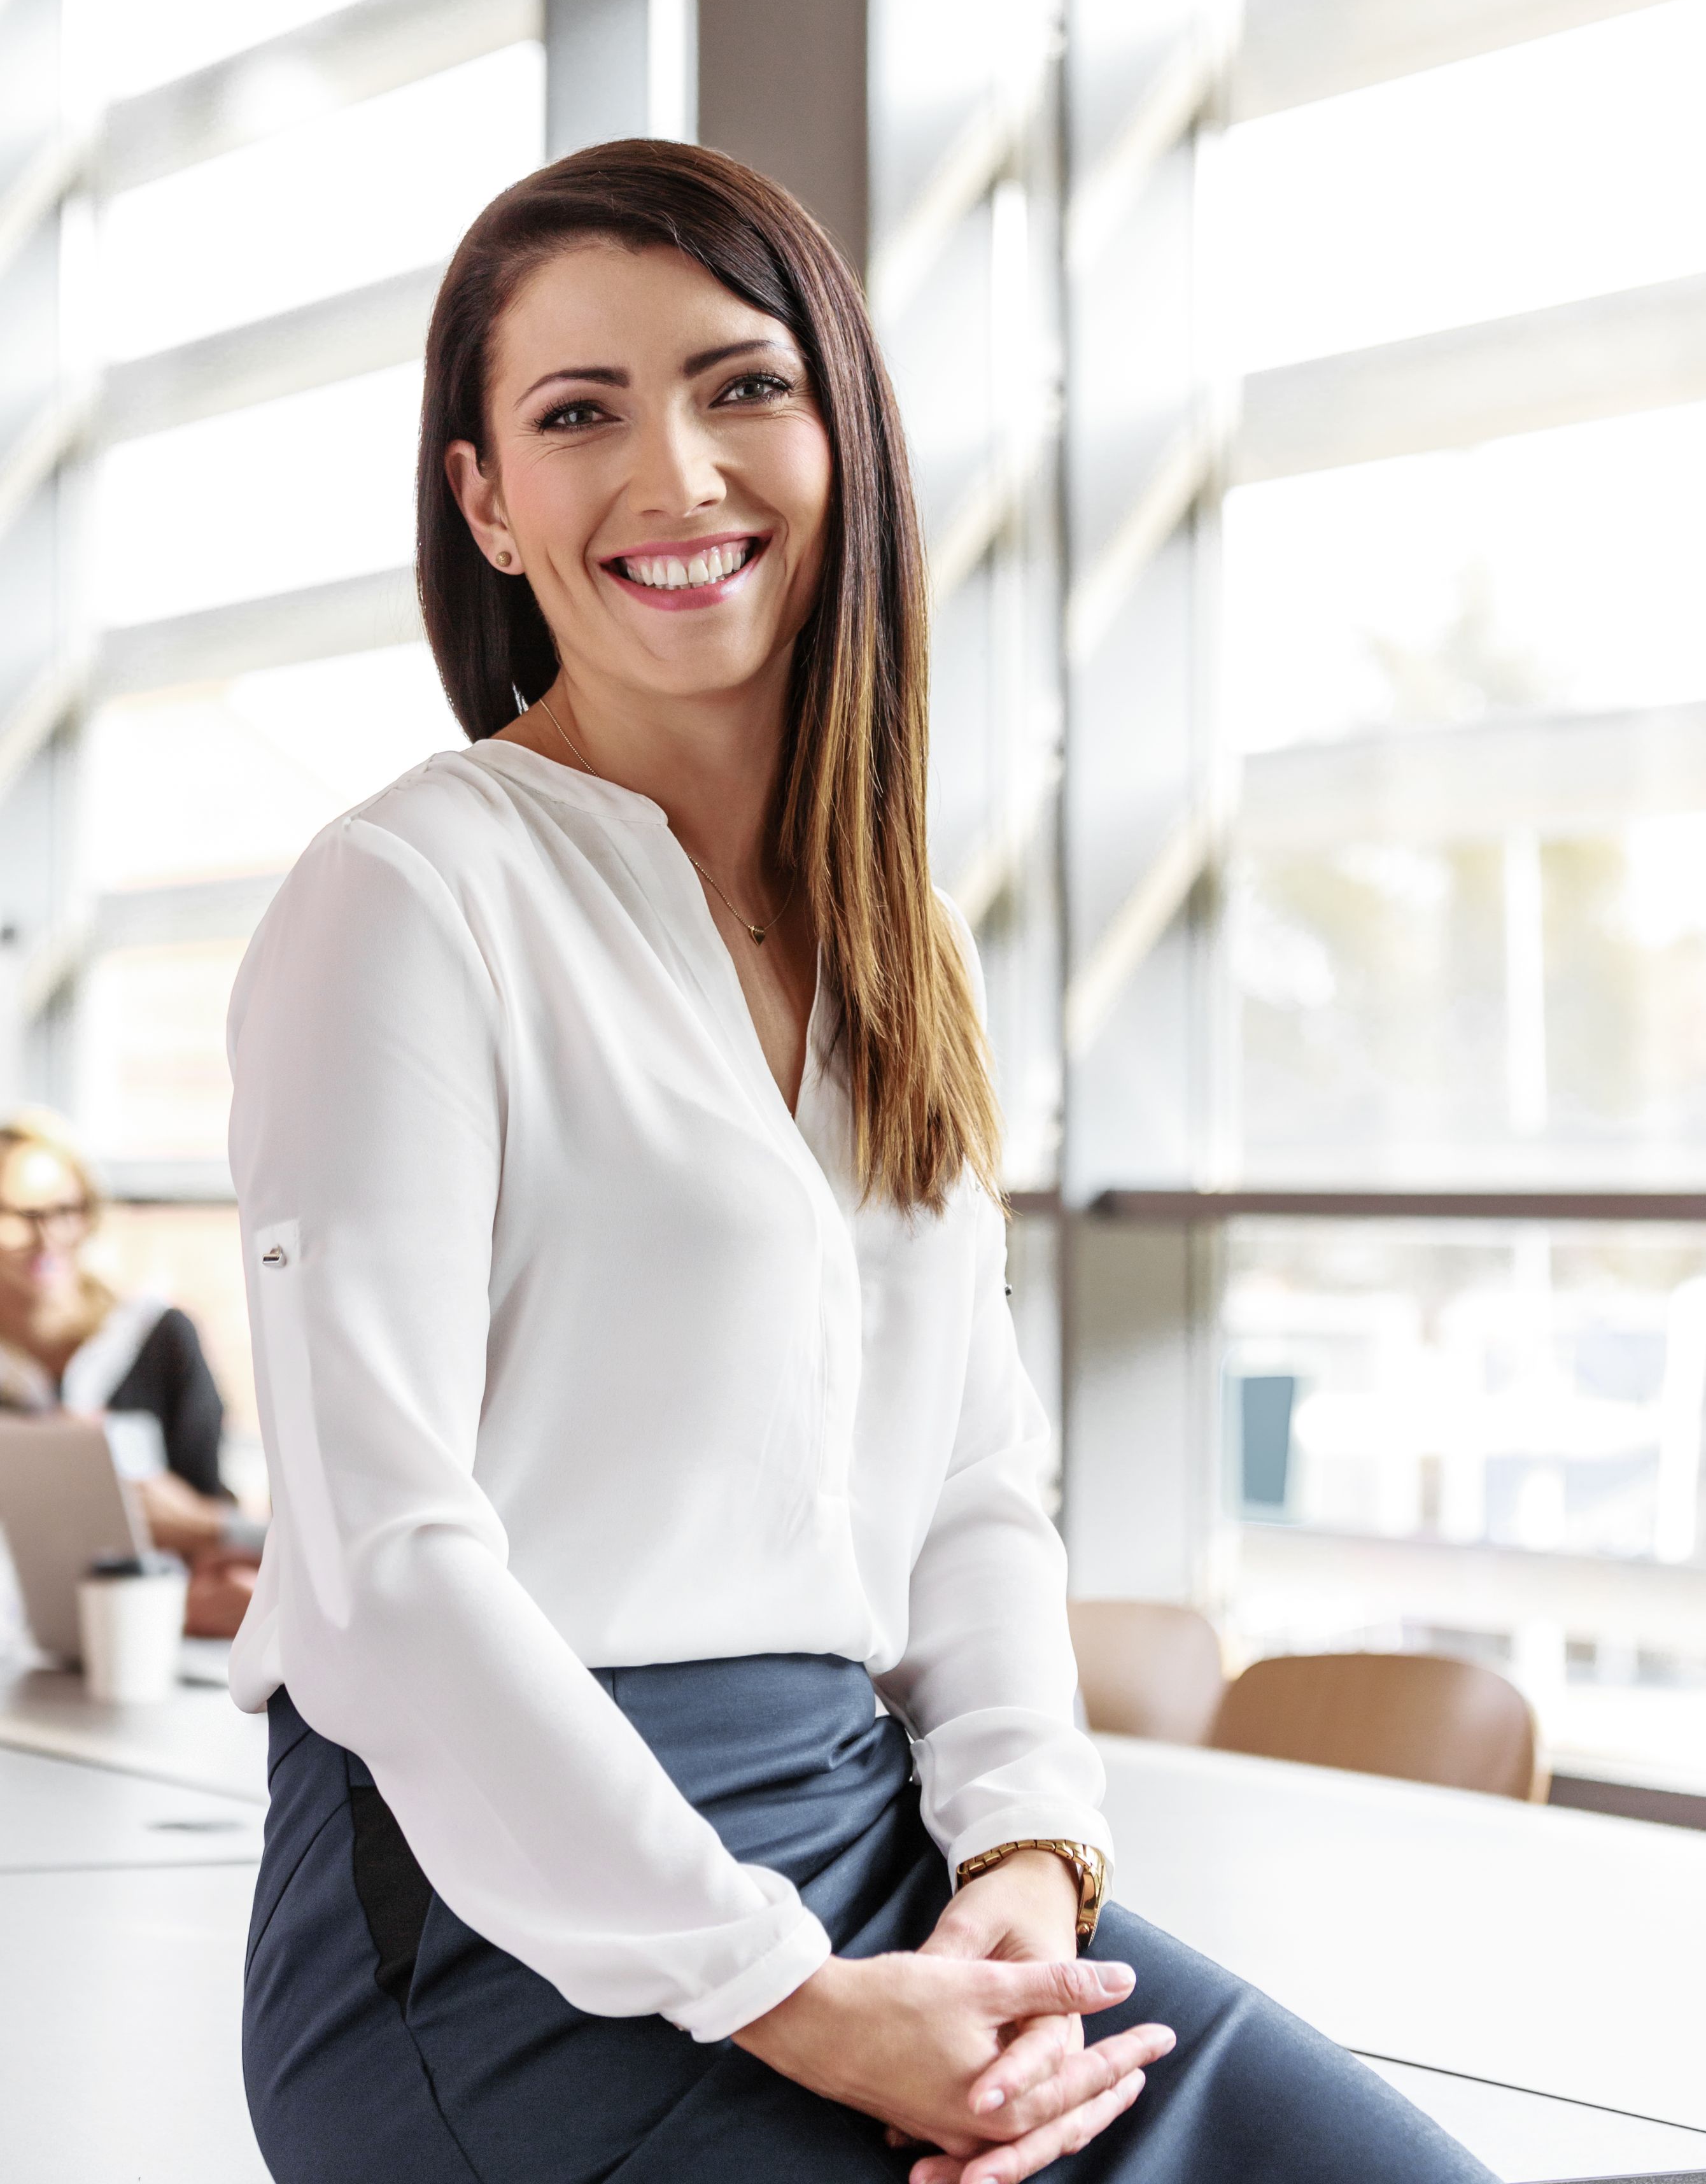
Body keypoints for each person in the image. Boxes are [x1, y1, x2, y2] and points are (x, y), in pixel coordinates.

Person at [229, 143, 1490, 2184]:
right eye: (578, 416)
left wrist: (1022, 1856)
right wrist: (784, 1994)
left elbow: (970, 1482)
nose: (678, 474)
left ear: (841, 429)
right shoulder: (407, 895)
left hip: (868, 1837)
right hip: (497, 1913)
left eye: (742, 388)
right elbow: (384, 1571)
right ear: (487, 501)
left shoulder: (895, 931)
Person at [0, 1108, 257, 1635]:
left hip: (148, 1634)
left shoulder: (156, 1337)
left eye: (66, 1210)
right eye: (19, 1216)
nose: (48, 1237)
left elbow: (210, 1516)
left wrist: (171, 1514)